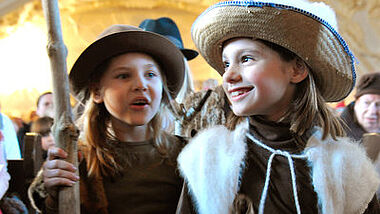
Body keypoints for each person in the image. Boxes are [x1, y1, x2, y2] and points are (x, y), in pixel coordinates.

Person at [176, 1, 380, 213]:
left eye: (246, 59)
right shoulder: (209, 157)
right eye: (226, 63)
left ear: (297, 69)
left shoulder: (347, 168)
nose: (228, 75)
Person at [29, 24, 186, 213]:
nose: (141, 85)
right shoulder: (77, 158)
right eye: (124, 76)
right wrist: (54, 193)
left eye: (150, 74)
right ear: (97, 91)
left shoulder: (186, 155)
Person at [340, 72, 380, 141]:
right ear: (356, 103)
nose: (372, 111)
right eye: (367, 103)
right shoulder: (334, 133)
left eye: (378, 104)